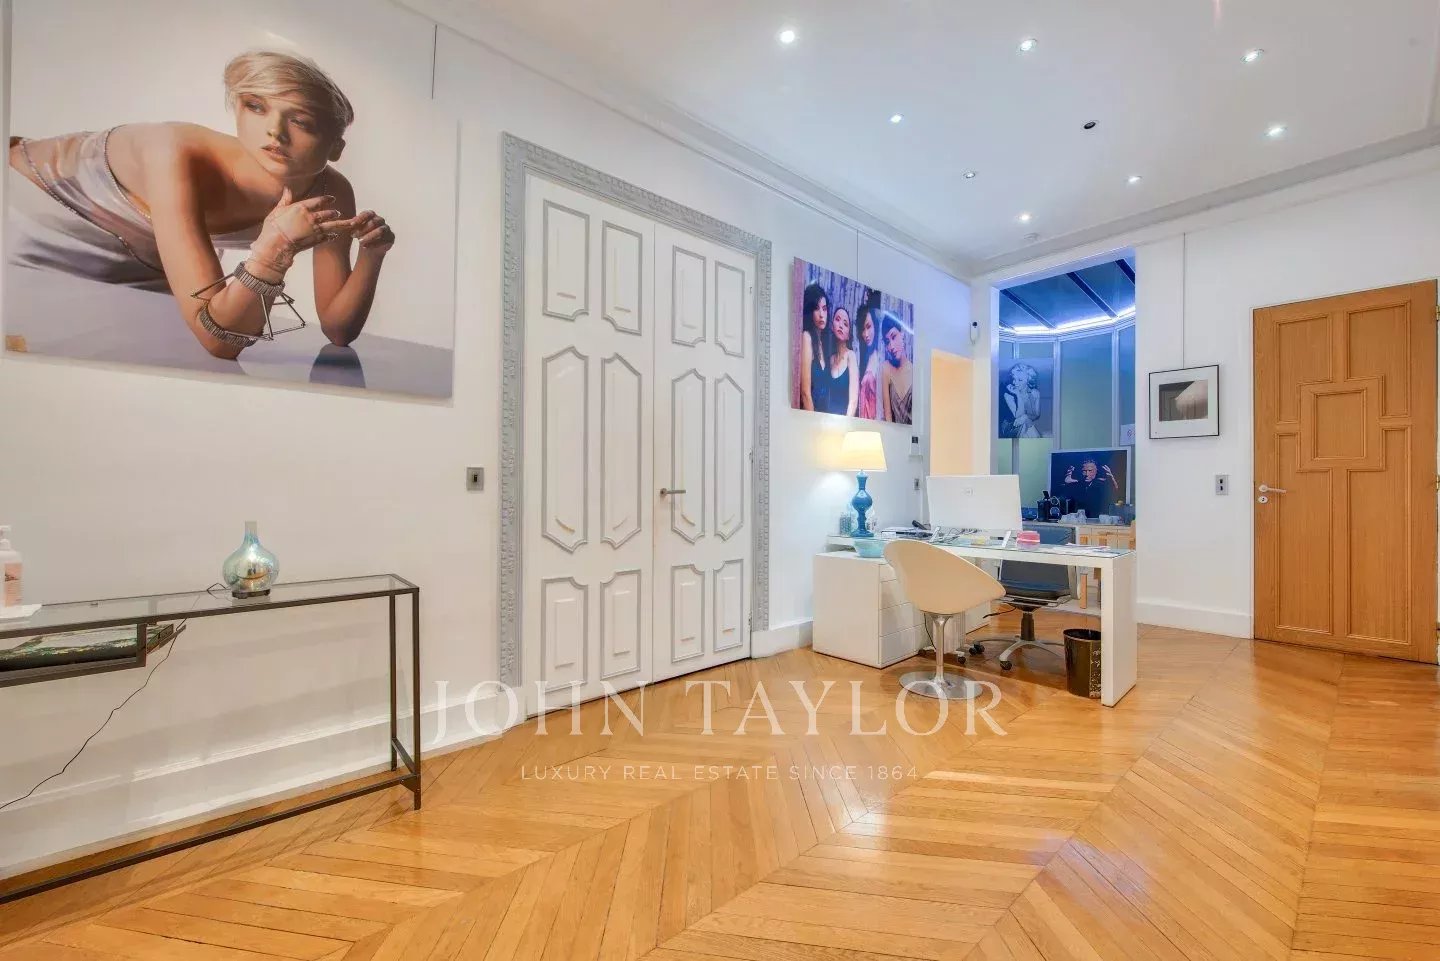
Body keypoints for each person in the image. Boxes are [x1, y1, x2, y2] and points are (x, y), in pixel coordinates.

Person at [7, 50, 396, 360]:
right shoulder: (175, 152)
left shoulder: (330, 190)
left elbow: (338, 330)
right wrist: (275, 249)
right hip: (35, 214)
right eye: (256, 106)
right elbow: (219, 341)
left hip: (150, 259)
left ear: (336, 147)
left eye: (302, 122)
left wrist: (372, 254)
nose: (274, 131)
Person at [797, 281, 830, 411]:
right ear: (810, 311)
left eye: (824, 309)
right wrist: (812, 420)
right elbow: (805, 393)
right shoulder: (807, 337)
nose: (821, 314)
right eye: (816, 308)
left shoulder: (824, 343)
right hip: (810, 417)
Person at [878, 311, 913, 424]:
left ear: (902, 333)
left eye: (894, 337)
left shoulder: (914, 371)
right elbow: (887, 414)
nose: (891, 346)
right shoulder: (886, 368)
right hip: (892, 432)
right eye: (887, 342)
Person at [823, 305, 858, 416]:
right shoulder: (830, 359)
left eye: (845, 324)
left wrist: (845, 424)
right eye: (837, 320)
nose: (841, 326)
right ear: (832, 327)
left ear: (848, 335)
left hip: (845, 421)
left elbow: (853, 402)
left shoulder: (851, 356)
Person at [1002, 362, 1043, 438]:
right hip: (1010, 427)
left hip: (1026, 424)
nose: (1015, 383)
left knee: (1026, 421)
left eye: (1020, 380)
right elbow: (1018, 416)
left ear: (1028, 380)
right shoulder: (1008, 395)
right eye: (1014, 379)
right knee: (1025, 421)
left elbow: (1036, 415)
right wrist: (1018, 395)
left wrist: (1025, 416)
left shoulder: (1035, 393)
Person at [855, 304, 881, 420]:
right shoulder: (863, 360)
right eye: (862, 329)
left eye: (868, 327)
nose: (865, 334)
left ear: (875, 325)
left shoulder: (881, 358)